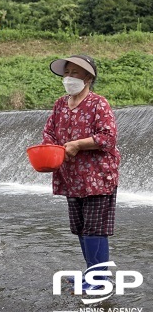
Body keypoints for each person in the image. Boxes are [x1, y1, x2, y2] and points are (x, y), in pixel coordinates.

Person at [43, 55, 120, 292]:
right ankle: (91, 273)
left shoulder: (99, 104)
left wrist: (78, 144)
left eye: (76, 73)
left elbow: (108, 137)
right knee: (80, 226)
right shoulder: (60, 105)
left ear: (88, 77)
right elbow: (49, 133)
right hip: (71, 177)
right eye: (67, 72)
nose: (70, 78)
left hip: (98, 176)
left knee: (95, 228)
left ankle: (100, 279)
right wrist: (49, 150)